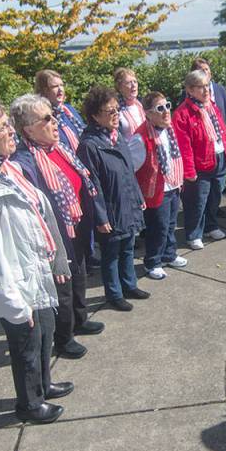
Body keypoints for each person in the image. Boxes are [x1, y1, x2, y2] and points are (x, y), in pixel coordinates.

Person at [0, 95, 74, 424]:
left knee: (45, 332)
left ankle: (44, 385)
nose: (11, 132)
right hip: (17, 281)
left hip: (35, 269)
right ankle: (30, 403)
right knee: (26, 344)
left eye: (8, 123)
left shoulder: (7, 168)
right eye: (2, 127)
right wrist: (13, 304)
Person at [10, 94, 106, 359]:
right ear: (28, 129)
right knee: (62, 287)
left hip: (76, 228)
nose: (55, 122)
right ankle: (64, 338)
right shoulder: (25, 162)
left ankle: (80, 318)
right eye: (47, 118)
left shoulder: (58, 148)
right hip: (57, 235)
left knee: (80, 275)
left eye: (53, 115)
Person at [76, 87, 149, 311]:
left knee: (128, 247)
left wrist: (138, 197)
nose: (116, 115)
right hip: (110, 207)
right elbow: (92, 186)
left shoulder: (116, 138)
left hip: (126, 201)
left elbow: (128, 171)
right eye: (110, 111)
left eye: (117, 110)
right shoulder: (90, 145)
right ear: (96, 116)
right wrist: (100, 217)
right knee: (111, 254)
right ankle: (114, 294)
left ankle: (129, 285)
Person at [173, 70, 226, 249]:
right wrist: (189, 171)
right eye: (201, 87)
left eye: (207, 85)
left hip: (219, 157)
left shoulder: (211, 105)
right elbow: (184, 146)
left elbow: (222, 131)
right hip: (200, 165)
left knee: (215, 196)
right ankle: (193, 234)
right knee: (197, 201)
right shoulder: (182, 114)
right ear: (190, 90)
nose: (206, 90)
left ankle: (211, 226)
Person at [136, 92, 187, 279]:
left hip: (173, 184)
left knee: (171, 224)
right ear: (148, 114)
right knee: (158, 227)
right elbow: (133, 167)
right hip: (156, 190)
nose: (166, 111)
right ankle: (152, 262)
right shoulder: (140, 137)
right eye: (160, 108)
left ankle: (169, 254)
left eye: (167, 106)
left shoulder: (168, 129)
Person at [35, 69, 87, 153]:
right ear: (44, 90)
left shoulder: (69, 110)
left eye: (62, 85)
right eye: (55, 86)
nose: (60, 90)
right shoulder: (43, 117)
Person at [190, 58, 226, 144]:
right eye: (201, 70)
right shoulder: (189, 94)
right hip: (203, 144)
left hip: (223, 143)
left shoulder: (220, 89)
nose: (205, 72)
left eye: (206, 69)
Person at [113, 67, 147, 170]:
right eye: (128, 83)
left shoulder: (143, 104)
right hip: (130, 158)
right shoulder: (116, 109)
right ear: (120, 88)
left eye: (135, 82)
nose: (133, 86)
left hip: (149, 154)